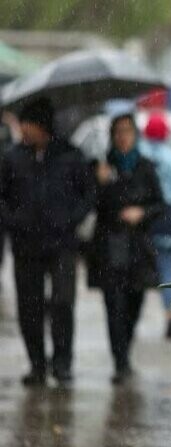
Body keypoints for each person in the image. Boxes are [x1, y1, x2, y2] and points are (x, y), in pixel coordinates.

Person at [0, 97, 94, 386]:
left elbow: (88, 194)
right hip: (25, 245)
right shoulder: (13, 157)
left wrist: (71, 220)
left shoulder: (70, 156)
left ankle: (62, 363)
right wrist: (14, 220)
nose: (22, 130)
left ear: (41, 126)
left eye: (26, 124)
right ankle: (36, 365)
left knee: (63, 303)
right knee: (29, 306)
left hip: (62, 245)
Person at [88, 112, 164, 384]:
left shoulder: (145, 166)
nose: (122, 136)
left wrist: (141, 212)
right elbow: (91, 205)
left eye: (127, 130)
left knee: (134, 303)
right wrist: (99, 181)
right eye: (117, 131)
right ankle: (120, 362)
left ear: (135, 134)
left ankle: (125, 350)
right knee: (114, 305)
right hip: (109, 248)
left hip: (138, 249)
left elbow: (160, 205)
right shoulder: (102, 167)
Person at [140, 112, 171, 340]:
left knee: (137, 270)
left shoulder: (139, 154)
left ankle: (132, 320)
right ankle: (170, 316)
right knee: (167, 270)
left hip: (142, 219)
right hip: (167, 218)